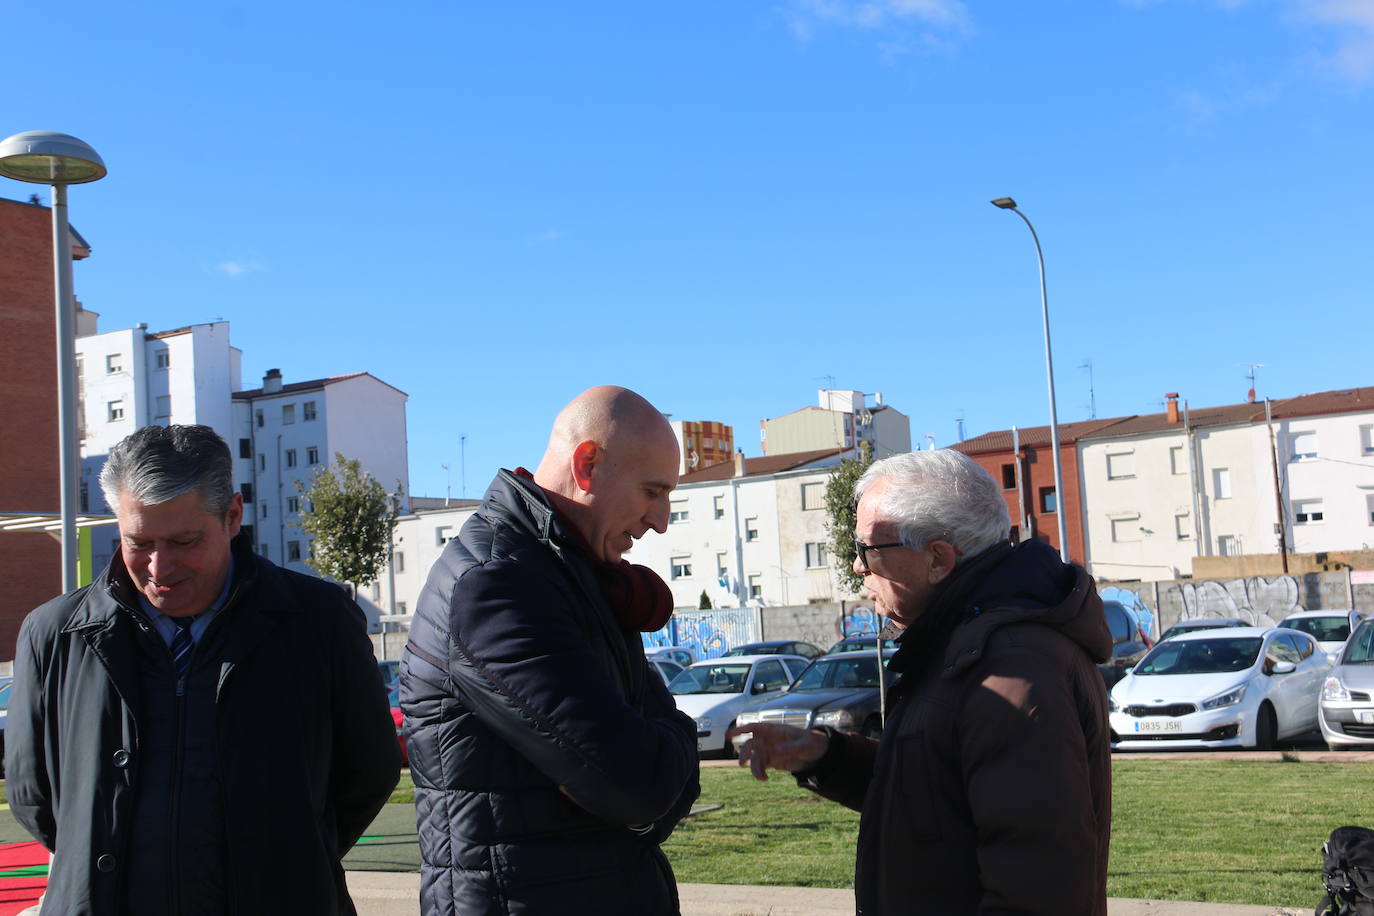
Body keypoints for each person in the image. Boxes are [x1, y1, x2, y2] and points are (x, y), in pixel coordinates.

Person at [6, 425, 401, 915]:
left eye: (184, 541)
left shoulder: (320, 623)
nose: (158, 566)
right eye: (139, 542)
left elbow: (368, 770)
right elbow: (33, 793)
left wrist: (287, 862)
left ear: (233, 515)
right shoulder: (55, 634)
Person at [727, 449, 1113, 915]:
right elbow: (934, 797)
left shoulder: (1013, 666)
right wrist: (827, 756)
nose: (858, 567)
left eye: (870, 549)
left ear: (937, 559)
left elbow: (1039, 883)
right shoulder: (963, 643)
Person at [403, 385, 700, 916]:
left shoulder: (575, 576)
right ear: (586, 464)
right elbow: (639, 781)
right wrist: (649, 774)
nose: (661, 519)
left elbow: (659, 770)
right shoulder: (495, 585)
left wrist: (653, 765)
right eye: (653, 491)